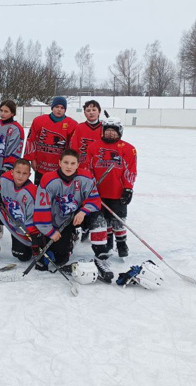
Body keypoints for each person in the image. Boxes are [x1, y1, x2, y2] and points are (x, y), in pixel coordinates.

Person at [30, 149, 113, 282]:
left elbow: (94, 200)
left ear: (77, 164)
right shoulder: (49, 179)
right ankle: (72, 239)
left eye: (72, 163)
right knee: (60, 258)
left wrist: (83, 211)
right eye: (66, 162)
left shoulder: (85, 177)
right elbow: (42, 207)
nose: (69, 166)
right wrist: (50, 232)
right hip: (59, 221)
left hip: (78, 216)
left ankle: (101, 257)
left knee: (98, 218)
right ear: (59, 163)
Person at [86, 117, 137, 258]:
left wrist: (128, 188)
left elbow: (130, 170)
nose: (110, 134)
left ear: (120, 132)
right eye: (107, 131)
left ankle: (121, 244)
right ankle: (107, 242)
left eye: (113, 131)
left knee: (118, 220)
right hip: (98, 192)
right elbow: (88, 168)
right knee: (103, 220)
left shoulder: (128, 149)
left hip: (117, 193)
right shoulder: (93, 147)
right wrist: (89, 186)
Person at [24, 96, 78, 185]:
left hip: (60, 168)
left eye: (62, 108)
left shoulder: (72, 124)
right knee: (40, 190)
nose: (59, 110)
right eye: (57, 107)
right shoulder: (39, 121)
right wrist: (32, 159)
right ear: (52, 107)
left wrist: (70, 164)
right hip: (41, 166)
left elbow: (72, 147)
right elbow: (31, 140)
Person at [70, 100, 103, 164]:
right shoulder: (79, 127)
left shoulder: (104, 128)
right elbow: (73, 146)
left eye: (94, 110)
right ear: (84, 113)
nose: (91, 112)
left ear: (99, 112)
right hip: (82, 163)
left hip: (99, 164)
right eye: (88, 111)